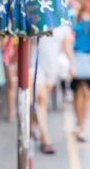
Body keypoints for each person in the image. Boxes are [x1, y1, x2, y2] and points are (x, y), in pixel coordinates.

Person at [31, 25, 74, 154]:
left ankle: (32, 127)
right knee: (41, 99)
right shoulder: (34, 17)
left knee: (40, 101)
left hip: (52, 66)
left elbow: (67, 46)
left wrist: (72, 65)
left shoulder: (62, 23)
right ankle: (46, 139)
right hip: (34, 64)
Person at [71, 0, 90, 142]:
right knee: (77, 93)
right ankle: (78, 121)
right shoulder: (74, 17)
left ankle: (82, 125)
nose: (89, 3)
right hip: (75, 58)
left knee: (87, 92)